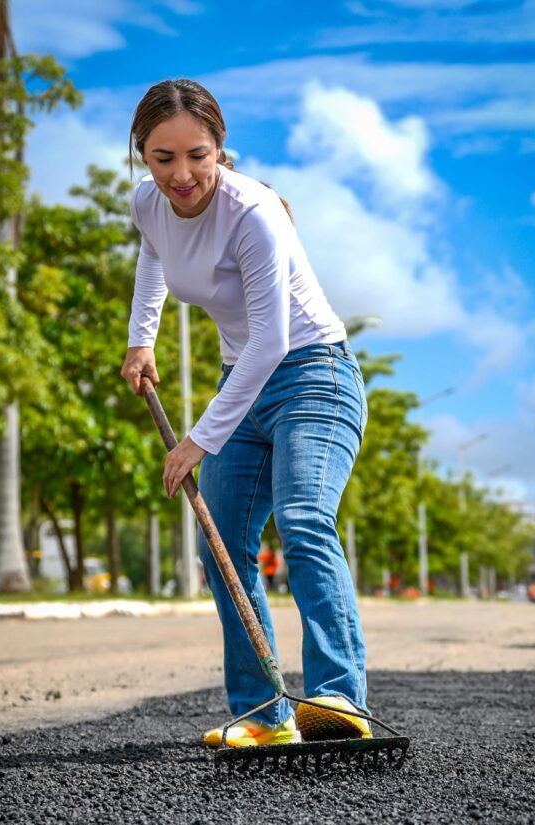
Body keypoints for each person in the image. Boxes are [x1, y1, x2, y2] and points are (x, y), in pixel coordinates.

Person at [121, 78, 371, 749]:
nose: (181, 175)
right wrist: (141, 337)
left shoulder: (252, 212)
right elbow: (154, 254)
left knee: (303, 518)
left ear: (219, 147)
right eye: (163, 157)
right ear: (141, 153)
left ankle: (339, 698)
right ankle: (264, 713)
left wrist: (198, 440)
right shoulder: (149, 202)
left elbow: (272, 341)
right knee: (223, 539)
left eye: (197, 155)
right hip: (247, 382)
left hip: (315, 375)